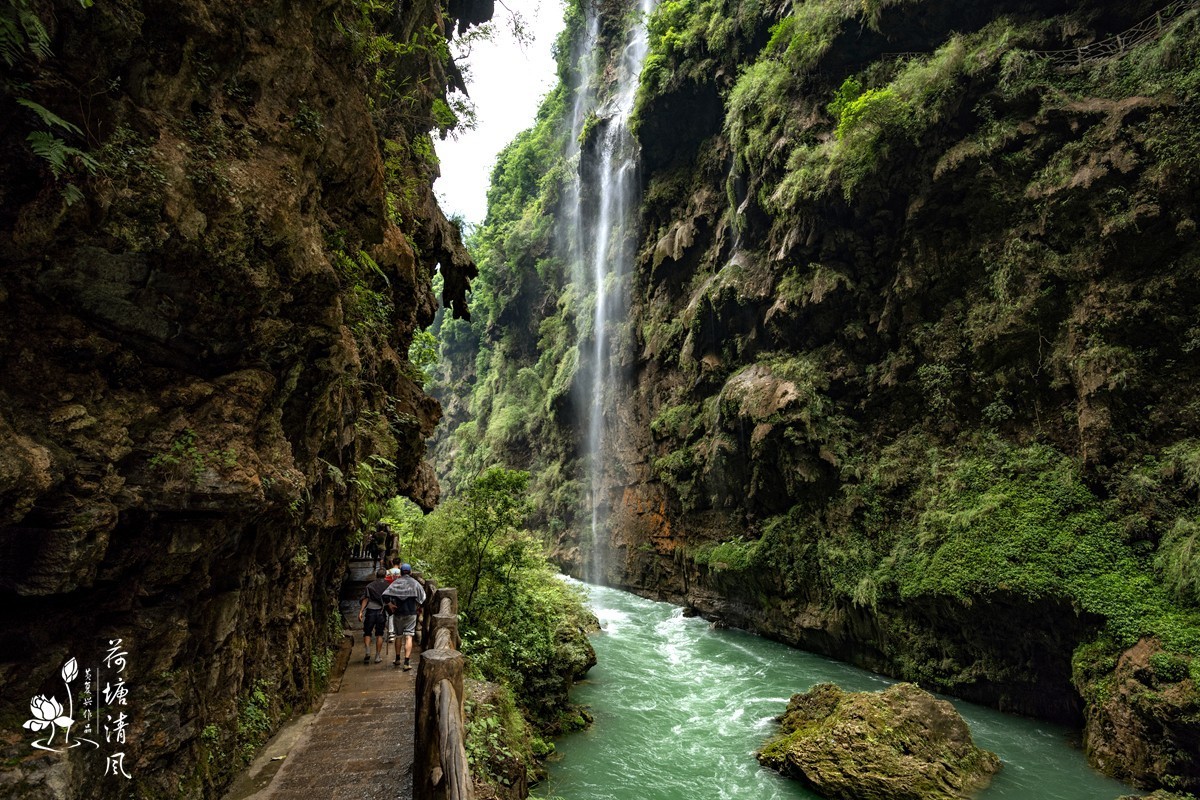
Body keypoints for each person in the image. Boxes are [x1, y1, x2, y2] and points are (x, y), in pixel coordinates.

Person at [382, 563, 426, 670]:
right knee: (409, 636)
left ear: (401, 572)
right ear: (410, 572)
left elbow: (385, 595)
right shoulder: (415, 584)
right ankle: (406, 662)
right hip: (411, 613)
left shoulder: (396, 583)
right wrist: (418, 606)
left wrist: (389, 604)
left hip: (398, 613)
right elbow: (423, 597)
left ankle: (397, 659)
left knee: (398, 636)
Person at [358, 568, 390, 664]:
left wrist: (361, 611)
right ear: (385, 576)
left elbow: (365, 599)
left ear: (376, 575)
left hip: (370, 611)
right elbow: (389, 600)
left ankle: (367, 651)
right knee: (379, 634)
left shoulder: (370, 586)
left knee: (367, 632)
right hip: (381, 612)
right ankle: (377, 656)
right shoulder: (387, 586)